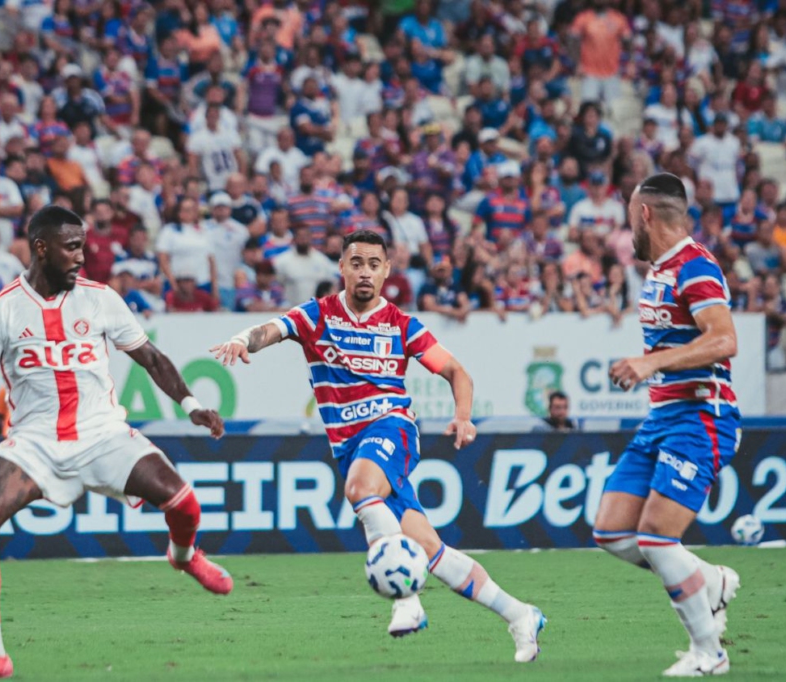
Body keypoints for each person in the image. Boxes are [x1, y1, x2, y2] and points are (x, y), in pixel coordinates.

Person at [210, 230, 545, 662]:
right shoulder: (316, 316)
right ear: (342, 268)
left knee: (360, 490)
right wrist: (241, 338)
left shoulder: (402, 325)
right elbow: (269, 330)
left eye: (374, 264)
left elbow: (457, 372)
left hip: (392, 429)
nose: (364, 271)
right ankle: (519, 614)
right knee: (428, 549)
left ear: (387, 270)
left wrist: (463, 416)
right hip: (349, 447)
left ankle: (406, 600)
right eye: (356, 262)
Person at [0, 205, 231, 681]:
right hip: (34, 442)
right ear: (41, 247)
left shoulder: (101, 298)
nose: (80, 257)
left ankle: (184, 555)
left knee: (185, 505)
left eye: (83, 246)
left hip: (103, 433)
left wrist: (191, 404)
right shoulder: (1, 311)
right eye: (71, 247)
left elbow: (151, 357)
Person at [595, 173, 740, 677]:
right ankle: (709, 579)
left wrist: (652, 363)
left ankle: (709, 653)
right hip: (663, 416)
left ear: (646, 215)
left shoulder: (695, 266)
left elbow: (724, 340)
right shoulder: (660, 269)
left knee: (657, 537)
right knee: (611, 532)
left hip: (702, 415)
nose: (627, 225)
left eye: (629, 214)